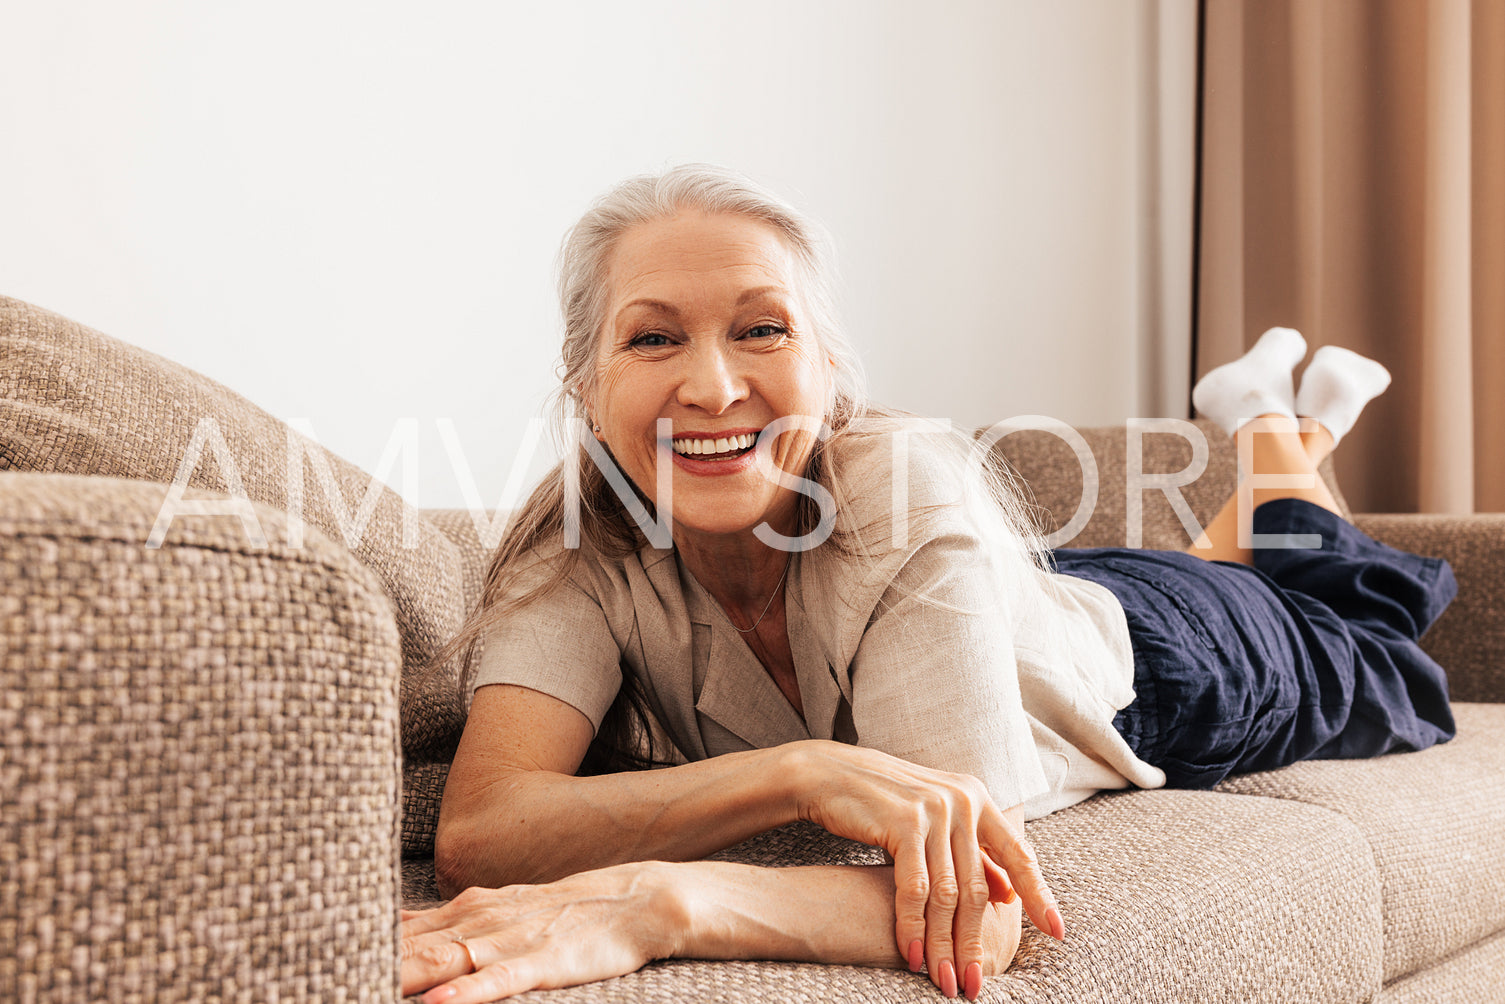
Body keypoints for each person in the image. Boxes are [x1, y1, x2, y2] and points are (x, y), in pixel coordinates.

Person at [398, 166, 1456, 1004]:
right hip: (1012, 601)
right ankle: (1278, 422)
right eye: (653, 336)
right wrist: (798, 771)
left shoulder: (898, 484)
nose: (711, 384)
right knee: (1260, 577)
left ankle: (1275, 429)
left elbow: (982, 915)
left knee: (1369, 639)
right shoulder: (573, 538)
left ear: (830, 370)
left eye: (760, 327)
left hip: (1155, 657)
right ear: (587, 384)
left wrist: (659, 899)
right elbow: (485, 829)